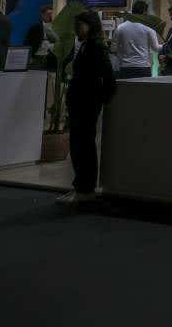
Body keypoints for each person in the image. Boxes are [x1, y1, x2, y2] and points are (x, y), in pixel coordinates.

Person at [58, 11, 116, 206]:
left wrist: (100, 98)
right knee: (78, 145)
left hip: (87, 103)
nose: (76, 29)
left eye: (79, 25)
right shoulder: (86, 46)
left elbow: (108, 77)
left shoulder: (96, 47)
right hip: (81, 102)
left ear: (90, 26)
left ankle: (85, 188)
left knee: (84, 145)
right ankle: (80, 186)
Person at [113, 1, 162, 79]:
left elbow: (114, 48)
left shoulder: (120, 27)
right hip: (143, 67)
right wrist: (167, 45)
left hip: (125, 67)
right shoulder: (149, 27)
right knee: (142, 91)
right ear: (144, 12)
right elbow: (155, 48)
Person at [24, 5, 57, 71]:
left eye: (52, 14)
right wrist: (28, 57)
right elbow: (27, 42)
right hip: (38, 57)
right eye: (48, 14)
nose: (50, 16)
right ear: (42, 15)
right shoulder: (35, 27)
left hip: (51, 58)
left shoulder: (56, 27)